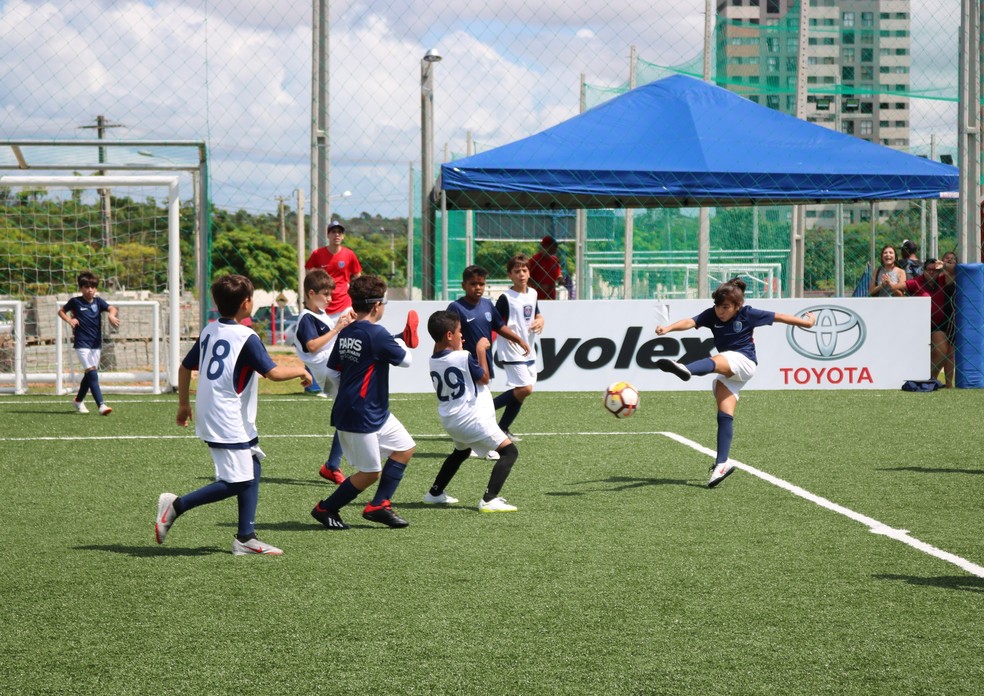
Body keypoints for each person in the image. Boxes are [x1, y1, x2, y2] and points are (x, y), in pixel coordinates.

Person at [155, 274, 312, 556]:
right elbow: (273, 373)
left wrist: (183, 405)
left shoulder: (209, 330)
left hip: (224, 412)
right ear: (247, 303)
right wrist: (302, 370)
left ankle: (245, 538)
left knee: (253, 464)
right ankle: (176, 506)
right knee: (238, 481)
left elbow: (184, 367)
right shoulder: (246, 336)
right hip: (224, 415)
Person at [653, 278, 816, 488]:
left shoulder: (748, 313)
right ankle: (722, 463)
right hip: (732, 370)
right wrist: (668, 329)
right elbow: (691, 321)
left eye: (726, 307)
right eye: (718, 306)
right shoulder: (712, 314)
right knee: (724, 413)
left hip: (745, 361)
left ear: (737, 306)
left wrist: (807, 323)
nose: (720, 311)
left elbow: (780, 317)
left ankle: (686, 369)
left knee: (719, 360)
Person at [310, 275, 417, 530]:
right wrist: (401, 339)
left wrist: (349, 389)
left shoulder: (348, 332)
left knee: (405, 448)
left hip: (370, 410)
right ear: (377, 305)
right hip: (363, 412)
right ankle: (326, 508)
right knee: (371, 472)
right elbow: (406, 359)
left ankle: (379, 505)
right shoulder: (377, 334)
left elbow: (332, 371)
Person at [423, 310, 520, 512]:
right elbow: (484, 378)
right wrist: (481, 350)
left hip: (451, 420)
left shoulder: (433, 359)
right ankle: (489, 499)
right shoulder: (463, 356)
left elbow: (440, 349)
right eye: (459, 332)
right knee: (510, 452)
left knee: (461, 452)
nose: (462, 336)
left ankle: (435, 493)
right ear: (449, 335)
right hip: (471, 420)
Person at [448, 265, 531, 461]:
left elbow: (499, 326)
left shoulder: (487, 305)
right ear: (463, 285)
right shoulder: (455, 308)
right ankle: (485, 447)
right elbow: (448, 335)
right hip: (465, 366)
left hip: (485, 364)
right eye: (473, 284)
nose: (478, 287)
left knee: (480, 408)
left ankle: (471, 445)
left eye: (481, 284)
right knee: (479, 409)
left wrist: (518, 339)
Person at [293, 269, 356, 484]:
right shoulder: (306, 318)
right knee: (353, 409)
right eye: (326, 294)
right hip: (327, 371)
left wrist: (343, 322)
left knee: (351, 411)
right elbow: (312, 346)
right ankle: (334, 464)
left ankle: (332, 465)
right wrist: (338, 328)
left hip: (334, 367)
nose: (330, 299)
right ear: (311, 293)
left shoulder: (320, 315)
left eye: (331, 295)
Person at [303, 219, 362, 395]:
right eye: (333, 232)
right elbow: (309, 275)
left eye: (339, 232)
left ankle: (351, 380)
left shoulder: (349, 255)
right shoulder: (317, 254)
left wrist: (355, 293)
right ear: (328, 235)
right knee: (319, 347)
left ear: (343, 236)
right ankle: (316, 384)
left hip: (344, 305)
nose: (336, 235)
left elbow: (357, 276)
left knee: (349, 343)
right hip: (322, 310)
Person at [492, 254, 544, 441]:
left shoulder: (533, 293)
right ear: (510, 275)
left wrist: (540, 320)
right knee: (525, 389)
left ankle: (502, 428)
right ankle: (483, 411)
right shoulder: (506, 298)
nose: (521, 274)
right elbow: (497, 324)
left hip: (528, 349)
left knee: (520, 393)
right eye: (517, 271)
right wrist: (517, 339)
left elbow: (537, 314)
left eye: (524, 270)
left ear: (529, 272)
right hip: (512, 349)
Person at [57, 271, 121, 415]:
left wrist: (111, 315)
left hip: (95, 344)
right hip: (81, 343)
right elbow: (61, 311)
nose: (90, 290)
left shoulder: (98, 302)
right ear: (81, 288)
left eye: (93, 287)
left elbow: (112, 308)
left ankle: (78, 400)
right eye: (86, 287)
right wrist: (70, 320)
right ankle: (101, 405)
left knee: (89, 374)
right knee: (92, 373)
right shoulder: (75, 302)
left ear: (96, 288)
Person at [887, 258, 951, 385]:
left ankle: (929, 378)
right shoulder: (916, 282)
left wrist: (944, 266)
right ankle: (924, 378)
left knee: (942, 351)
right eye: (929, 270)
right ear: (924, 271)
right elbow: (896, 287)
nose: (932, 273)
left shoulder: (943, 280)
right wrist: (890, 285)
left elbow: (955, 272)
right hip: (918, 325)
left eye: (935, 270)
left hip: (937, 324)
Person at [940, 251, 958, 387]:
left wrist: (945, 265)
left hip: (951, 316)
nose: (950, 260)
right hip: (937, 315)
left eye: (953, 259)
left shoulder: (959, 276)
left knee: (949, 351)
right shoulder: (937, 277)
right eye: (947, 258)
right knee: (940, 350)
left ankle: (949, 383)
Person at [529, 234, 563, 300]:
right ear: (545, 247)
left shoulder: (555, 260)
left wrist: (560, 279)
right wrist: (540, 286)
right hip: (537, 297)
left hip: (551, 296)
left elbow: (558, 274)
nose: (556, 248)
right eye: (553, 246)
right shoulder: (534, 260)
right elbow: (527, 278)